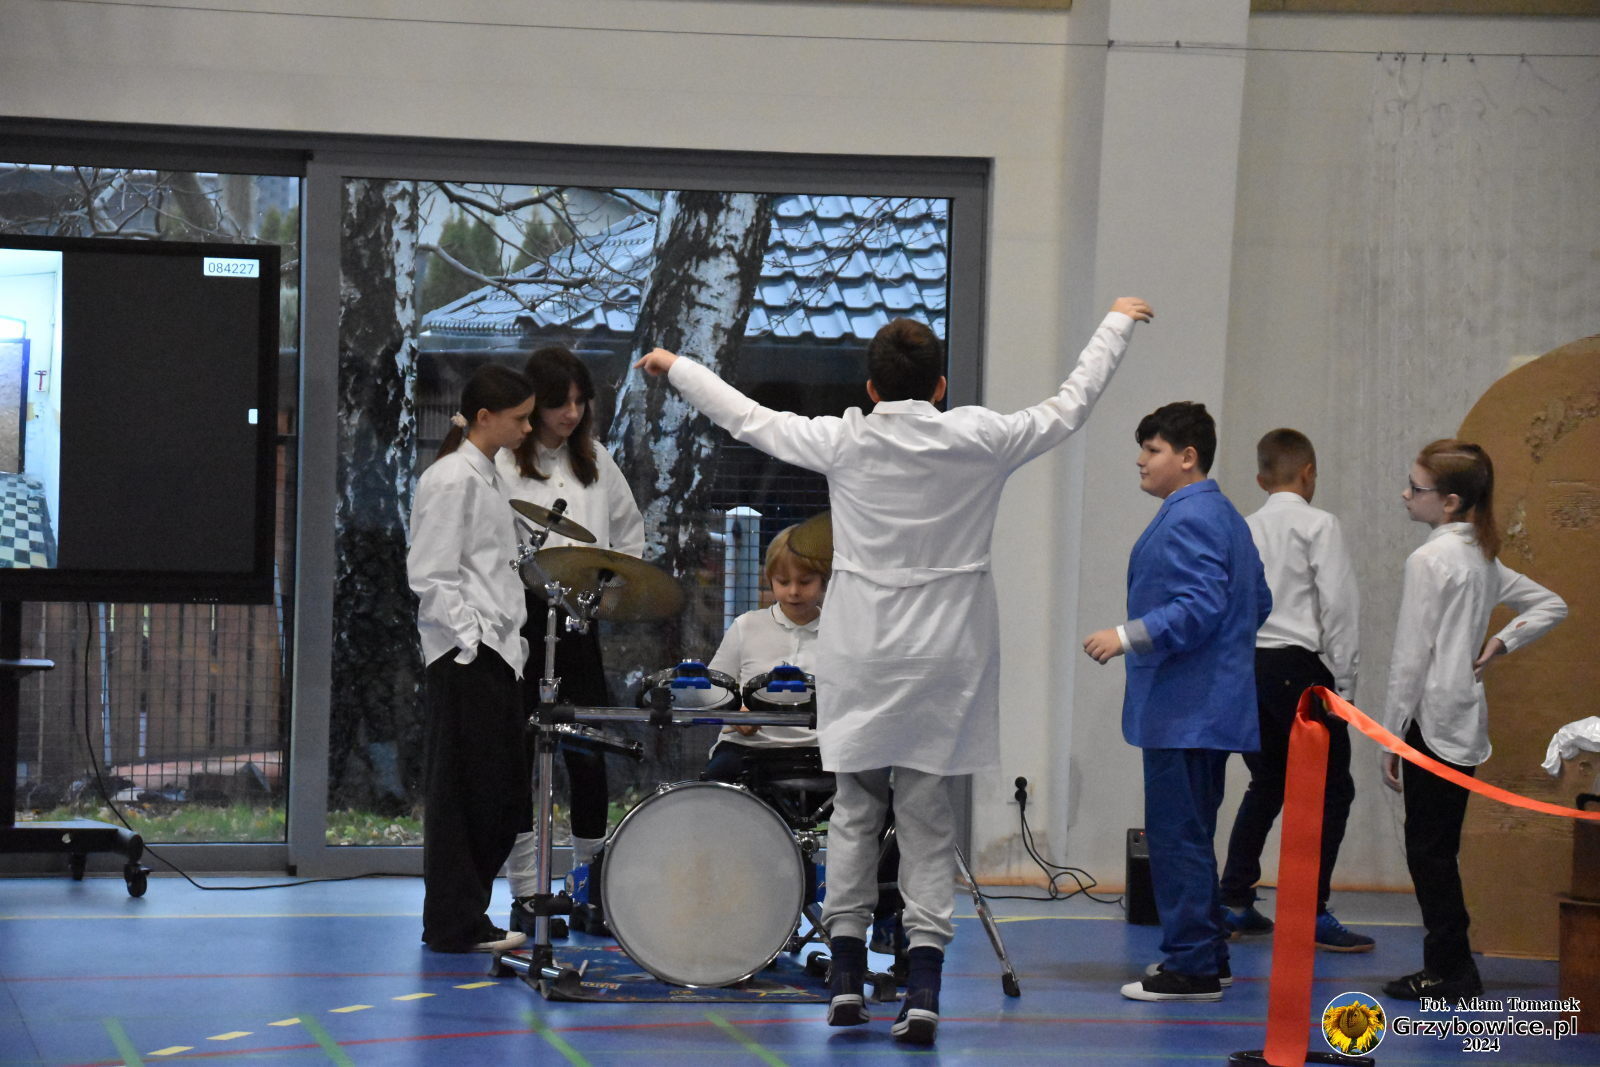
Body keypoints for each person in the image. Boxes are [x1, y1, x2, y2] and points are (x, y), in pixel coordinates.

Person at [637, 296, 1154, 1045]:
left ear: (871, 388)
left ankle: (847, 979)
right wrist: (1113, 323)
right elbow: (1071, 405)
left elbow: (747, 418)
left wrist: (678, 365)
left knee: (854, 810)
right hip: (948, 655)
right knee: (926, 817)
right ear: (940, 386)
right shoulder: (981, 437)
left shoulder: (846, 441)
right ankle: (923, 988)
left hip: (863, 653)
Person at [1083, 401, 1270, 1003]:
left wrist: (1127, 635)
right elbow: (1258, 601)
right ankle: (1207, 955)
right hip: (1209, 706)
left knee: (1177, 837)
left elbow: (1199, 606)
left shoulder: (1190, 516)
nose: (1141, 460)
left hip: (1185, 710)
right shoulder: (1225, 514)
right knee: (1191, 833)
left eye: (1153, 449)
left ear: (1188, 457)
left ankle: (1192, 967)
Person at [1378, 439, 1566, 1003]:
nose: (1405, 495)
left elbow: (1409, 658)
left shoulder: (1431, 560)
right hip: (1462, 721)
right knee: (1437, 849)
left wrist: (1389, 736)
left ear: (1451, 502)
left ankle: (1451, 969)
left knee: (1428, 852)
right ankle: (1451, 964)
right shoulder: (1481, 557)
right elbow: (1551, 604)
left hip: (1430, 723)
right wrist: (1502, 642)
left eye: (1416, 488)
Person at [498, 344, 645, 937]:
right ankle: (526, 891)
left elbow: (629, 537)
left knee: (587, 754)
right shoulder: (503, 463)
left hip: (579, 622)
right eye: (560, 403)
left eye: (581, 402)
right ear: (533, 404)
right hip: (519, 622)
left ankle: (589, 888)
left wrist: (606, 596)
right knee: (520, 758)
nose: (571, 414)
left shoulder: (598, 462)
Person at [1217, 429, 1371, 952]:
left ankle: (1234, 900)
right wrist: (1345, 683)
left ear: (1261, 479)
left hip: (1248, 668)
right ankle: (1310, 912)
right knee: (1332, 791)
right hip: (1298, 669)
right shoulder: (1319, 524)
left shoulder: (1243, 527)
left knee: (1266, 783)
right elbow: (1339, 606)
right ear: (1309, 474)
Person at [406, 363, 537, 954]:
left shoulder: (489, 475)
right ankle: (452, 924)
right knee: (463, 796)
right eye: (520, 418)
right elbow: (431, 574)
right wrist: (469, 641)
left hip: (498, 655)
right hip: (468, 657)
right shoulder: (450, 478)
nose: (528, 428)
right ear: (485, 417)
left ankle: (468, 914)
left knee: (500, 796)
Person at [701, 523, 826, 786]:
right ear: (770, 579)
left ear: (824, 580)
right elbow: (711, 686)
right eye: (783, 581)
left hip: (821, 749)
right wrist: (736, 710)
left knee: (868, 795)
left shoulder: (840, 632)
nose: (793, 591)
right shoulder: (746, 625)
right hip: (747, 747)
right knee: (712, 788)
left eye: (805, 582)